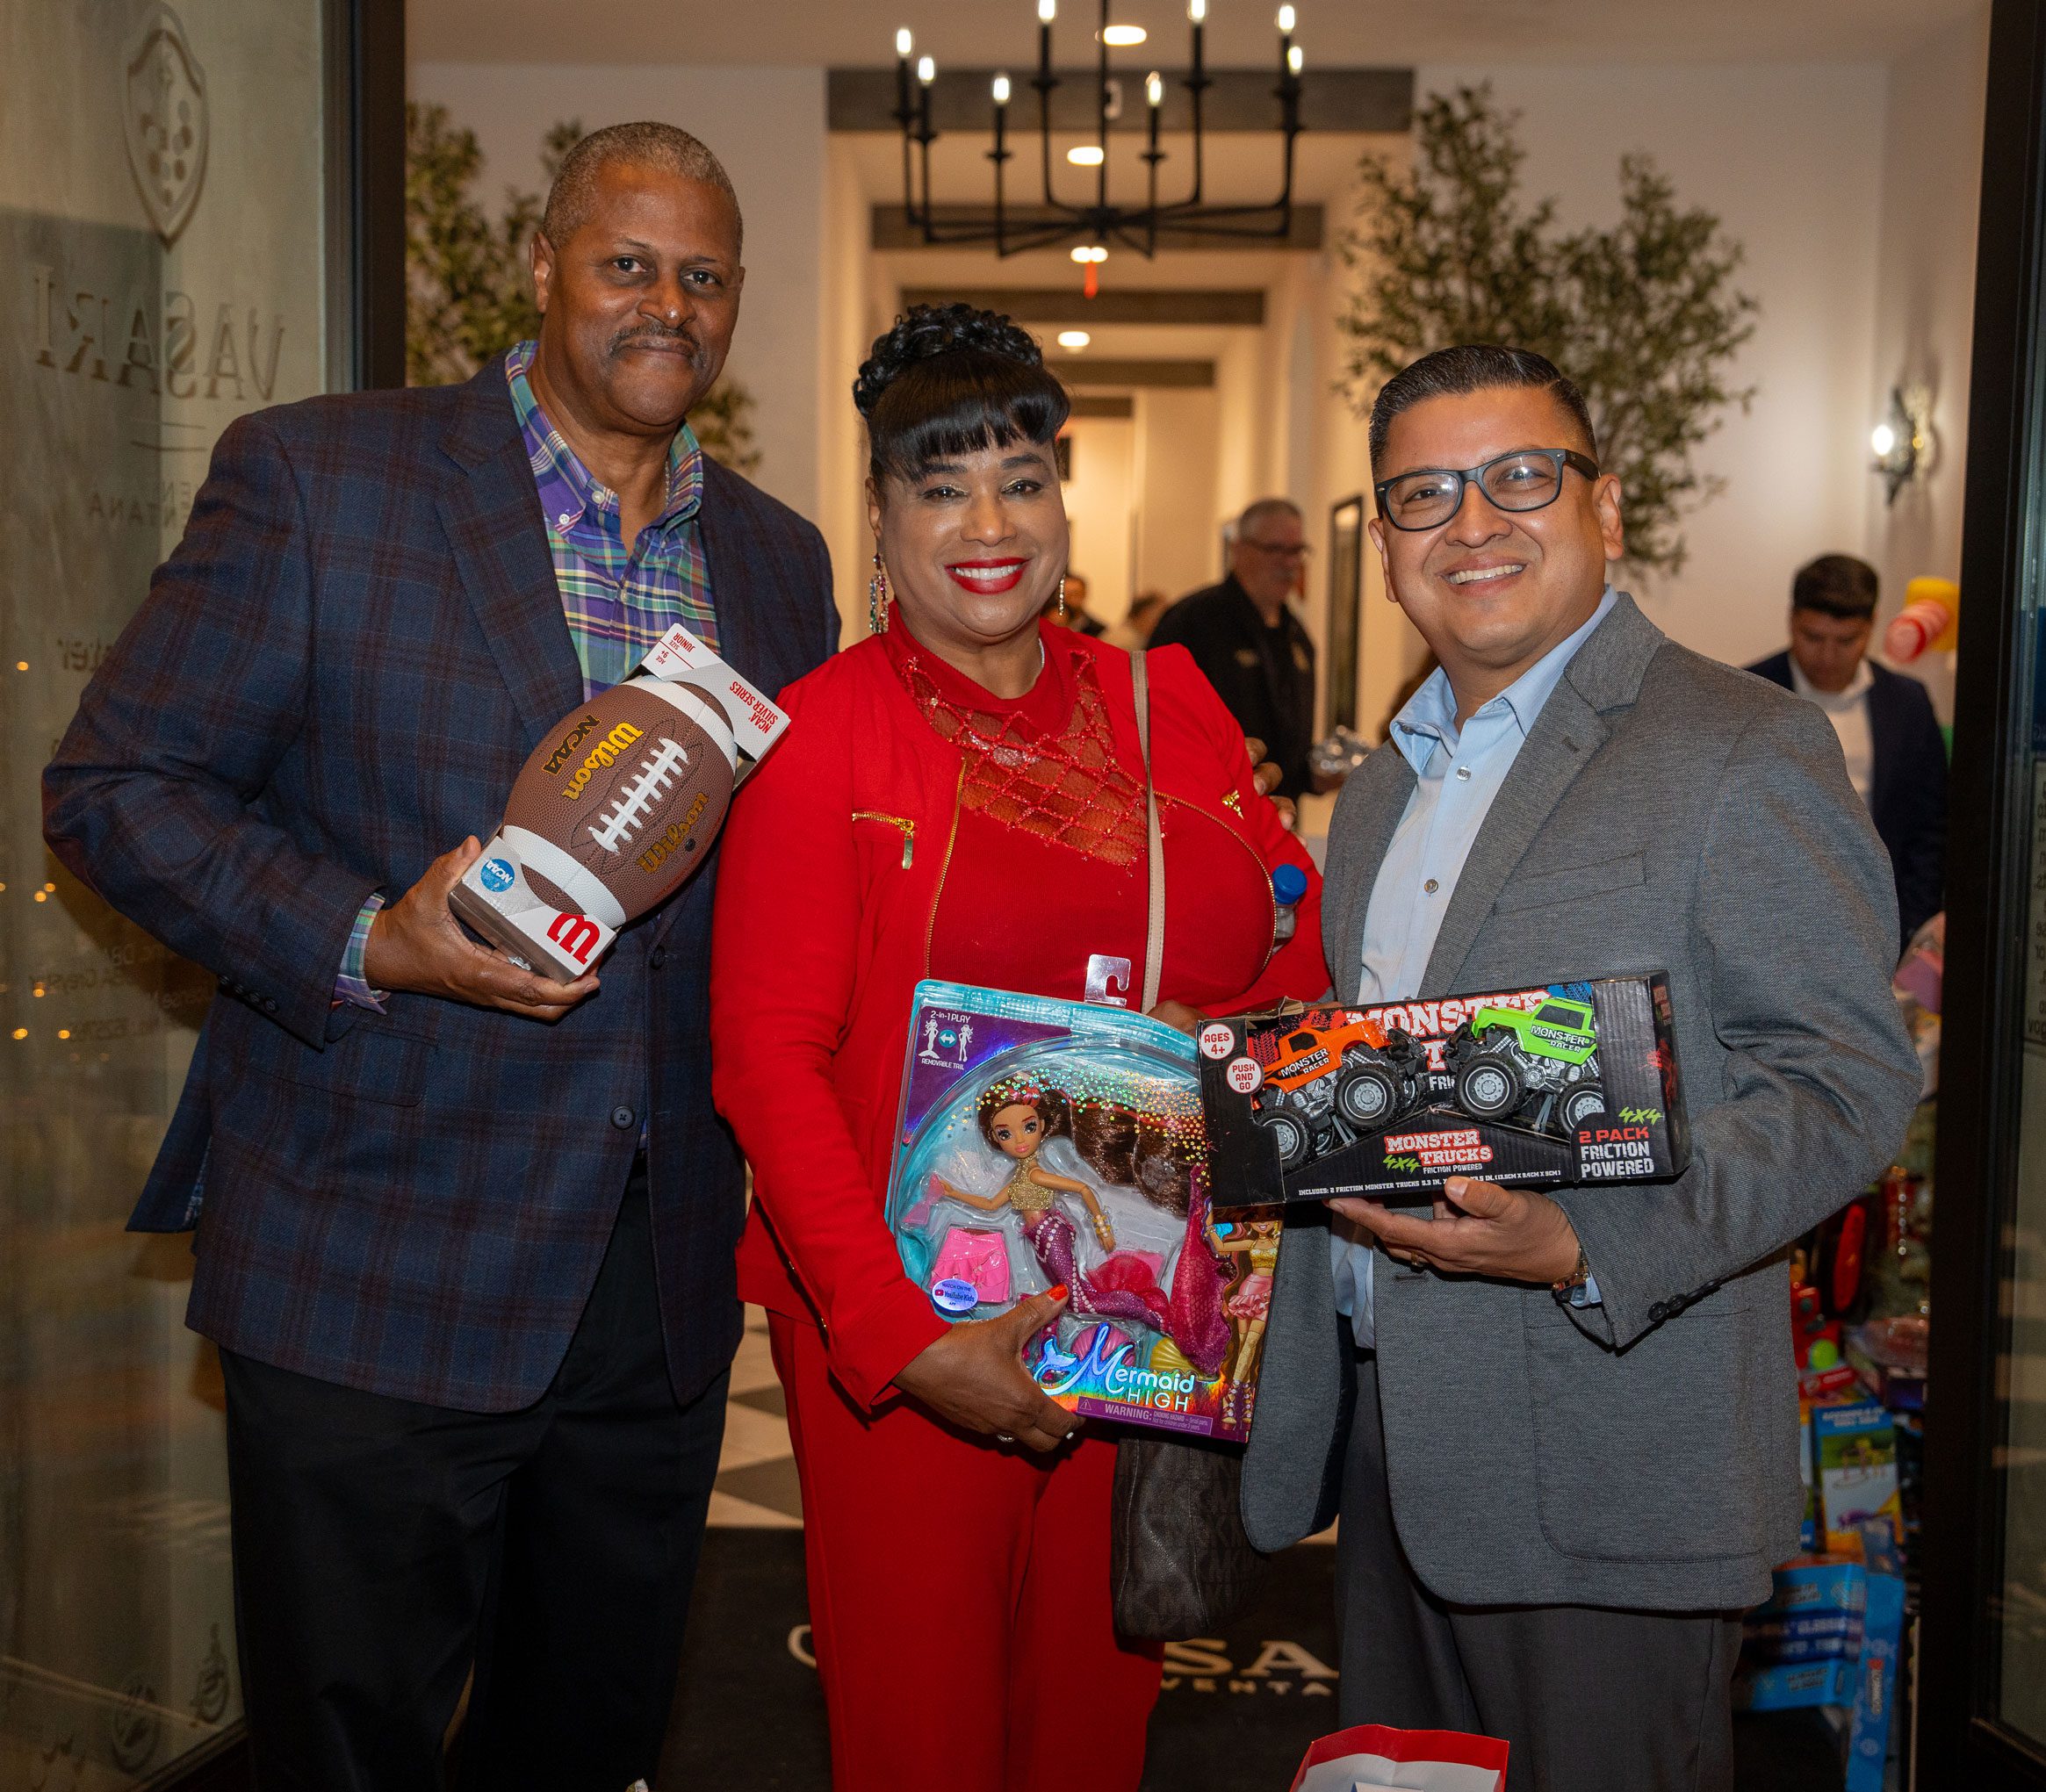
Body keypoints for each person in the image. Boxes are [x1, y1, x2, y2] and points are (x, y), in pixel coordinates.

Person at [42, 124, 835, 1789]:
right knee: (351, 1747)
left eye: (704, 276)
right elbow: (116, 788)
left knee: (590, 1738)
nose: (667, 305)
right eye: (628, 263)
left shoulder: (776, 561)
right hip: (372, 1256)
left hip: (655, 1285)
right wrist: (366, 939)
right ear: (543, 267)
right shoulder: (325, 478)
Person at [1240, 344, 1920, 1791]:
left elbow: (1847, 1076)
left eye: (1519, 477)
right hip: (1397, 1459)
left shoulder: (1741, 746)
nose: (1470, 522)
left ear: (1604, 508)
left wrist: (1580, 1241)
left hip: (1615, 1462)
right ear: (1386, 552)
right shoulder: (1381, 789)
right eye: (1423, 494)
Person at [709, 303, 1330, 1792]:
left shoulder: (1163, 703)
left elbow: (1295, 943)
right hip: (921, 1310)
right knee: (921, 1730)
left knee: (1091, 1730)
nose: (989, 524)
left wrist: (1228, 1036)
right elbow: (764, 1060)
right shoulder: (820, 740)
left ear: (1065, 498)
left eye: (1022, 479)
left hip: (1141, 1309)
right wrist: (900, 1335)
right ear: (881, 513)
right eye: (941, 486)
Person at [1746, 553, 1948, 946]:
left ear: (1871, 627)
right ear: (1792, 620)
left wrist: (1908, 926)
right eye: (1813, 637)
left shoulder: (1907, 703)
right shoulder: (1747, 694)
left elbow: (1931, 827)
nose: (1826, 655)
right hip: (1771, 922)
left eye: (1846, 641)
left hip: (1878, 922)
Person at [1149, 497, 1317, 796]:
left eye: (1297, 551)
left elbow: (1290, 747)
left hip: (1279, 821)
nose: (1290, 563)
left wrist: (1313, 776)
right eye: (1276, 549)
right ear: (1239, 550)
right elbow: (1155, 729)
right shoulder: (1192, 622)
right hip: (1205, 812)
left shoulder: (1298, 638)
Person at [1041, 565, 1106, 635]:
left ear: (1084, 594)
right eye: (1066, 594)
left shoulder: (1097, 630)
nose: (1070, 599)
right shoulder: (1046, 621)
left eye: (1075, 594)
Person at [1106, 587, 1168, 651]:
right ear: (1145, 614)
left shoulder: (1125, 635)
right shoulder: (1126, 643)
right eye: (1162, 614)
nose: (1165, 621)